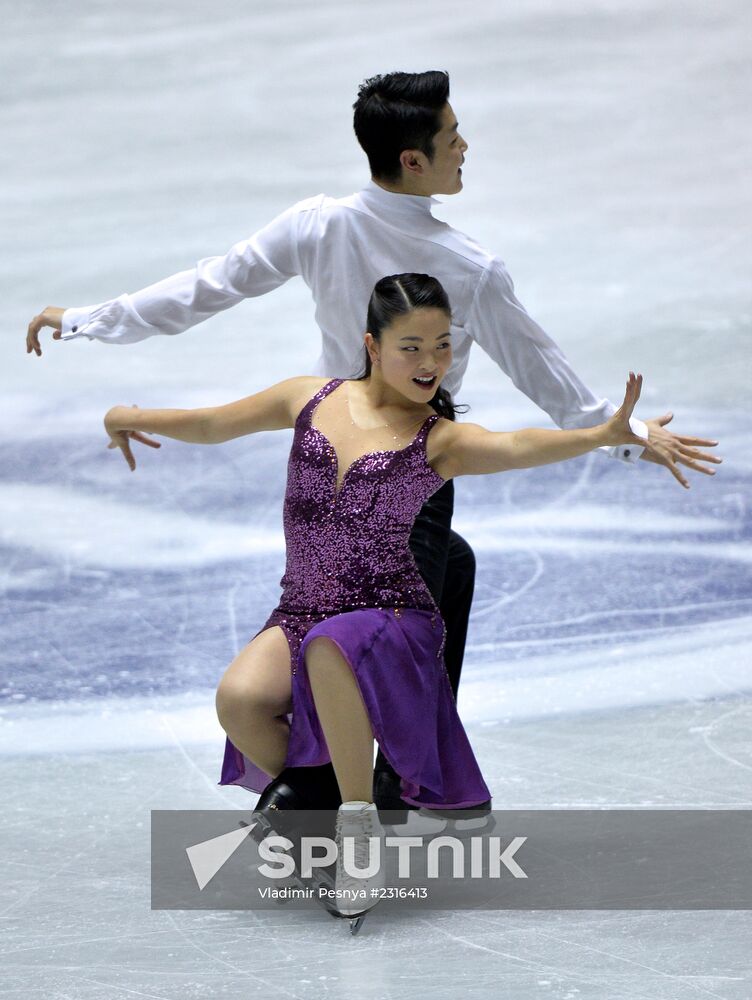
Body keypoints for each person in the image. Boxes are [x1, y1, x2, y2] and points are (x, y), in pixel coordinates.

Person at [27, 71, 720, 815]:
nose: (465, 148)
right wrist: (626, 437)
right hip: (407, 474)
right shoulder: (469, 268)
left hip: (323, 462)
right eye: (452, 139)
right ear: (413, 160)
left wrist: (87, 319)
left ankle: (360, 774)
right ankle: (350, 795)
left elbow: (208, 286)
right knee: (367, 636)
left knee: (429, 580)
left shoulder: (317, 224)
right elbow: (544, 376)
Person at [103, 273, 673, 917]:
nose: (430, 363)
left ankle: (358, 837)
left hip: (392, 614)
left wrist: (598, 436)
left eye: (442, 346)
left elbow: (515, 444)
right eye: (411, 347)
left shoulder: (438, 439)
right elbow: (213, 422)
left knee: (329, 646)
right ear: (372, 345)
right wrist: (131, 416)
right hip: (302, 606)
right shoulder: (310, 398)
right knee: (240, 699)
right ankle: (320, 810)